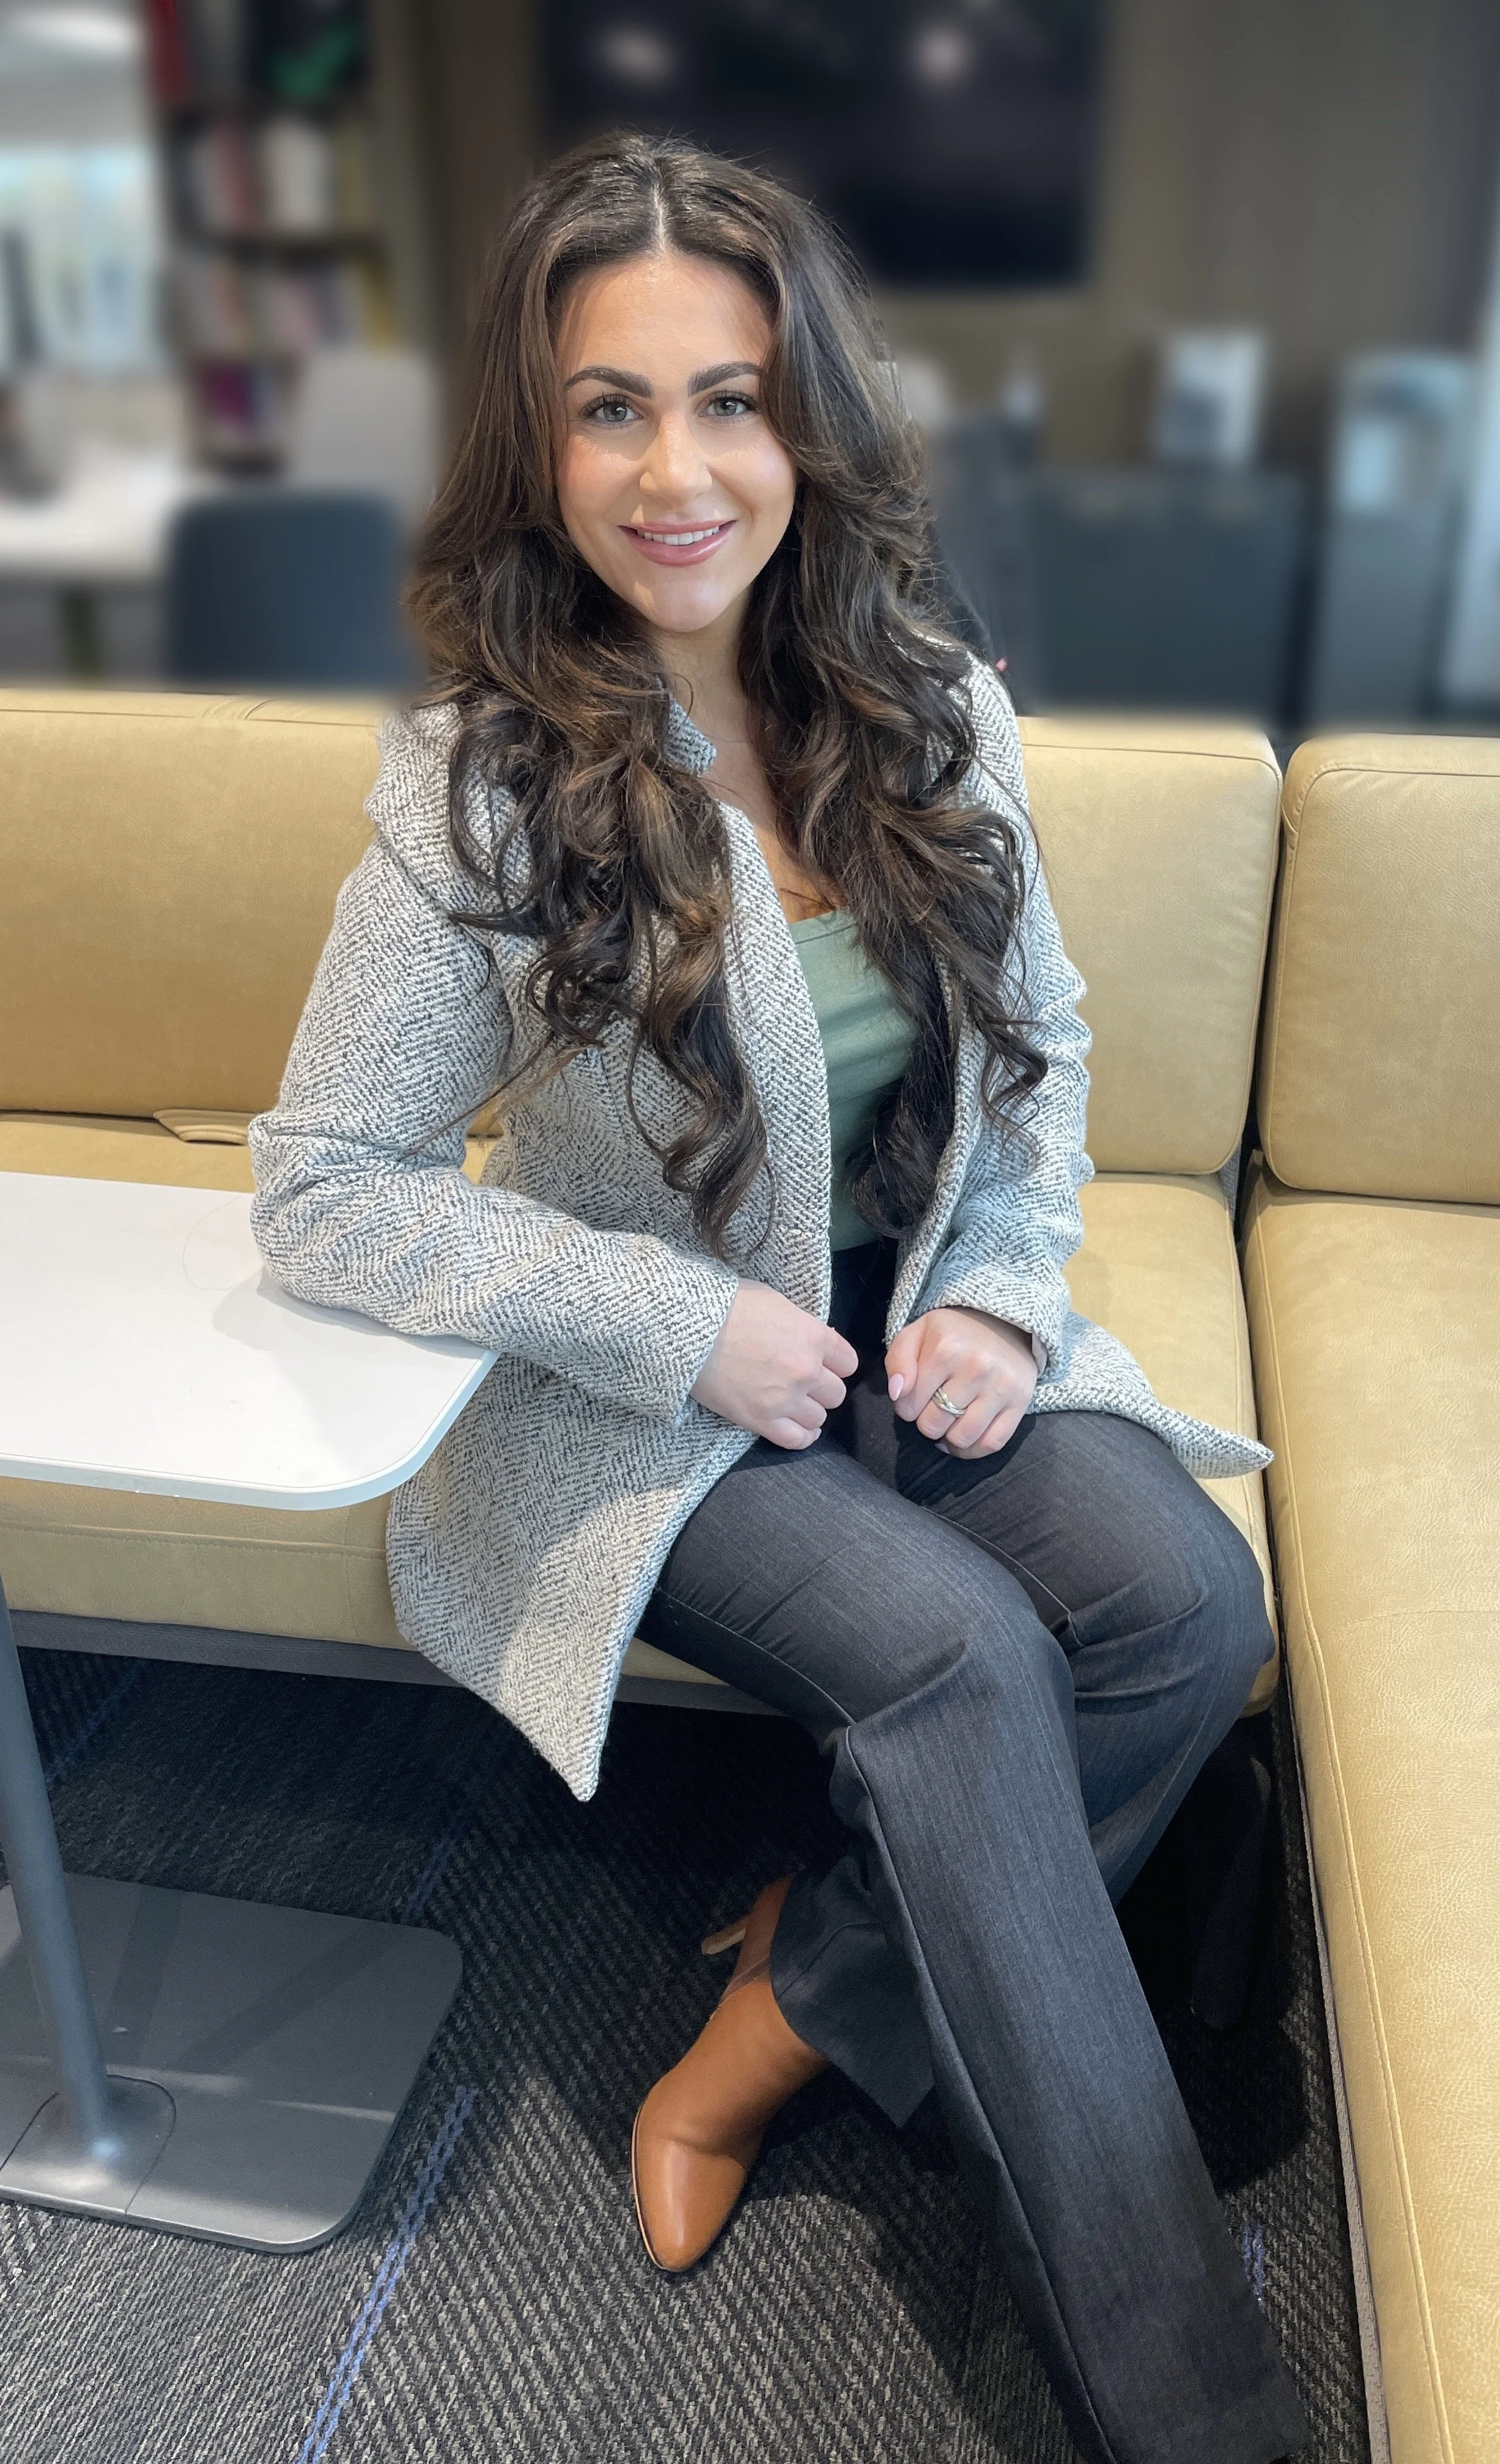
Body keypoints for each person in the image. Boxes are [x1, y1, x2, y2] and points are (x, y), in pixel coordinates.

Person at [249, 133, 1309, 2464]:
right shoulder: (478, 793)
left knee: (1177, 1610)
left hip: (900, 1309)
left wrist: (1003, 1295)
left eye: (727, 399)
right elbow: (320, 1188)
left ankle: (790, 2000)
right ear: (536, 443)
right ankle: (1199, 2413)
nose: (677, 470)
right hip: (638, 1381)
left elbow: (1035, 1058)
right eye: (608, 407)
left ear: (805, 419)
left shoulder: (927, 702)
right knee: (961, 1656)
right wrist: (677, 1329)